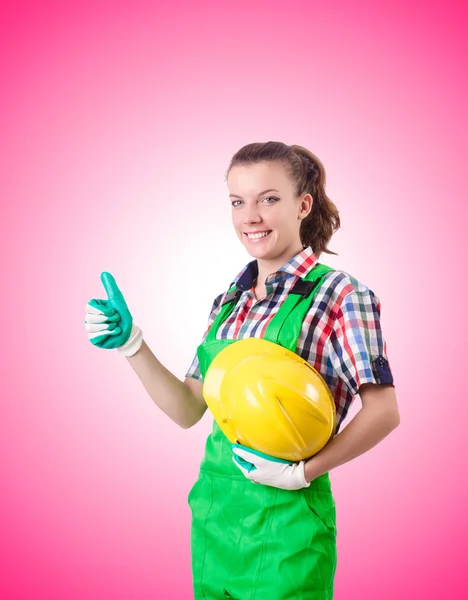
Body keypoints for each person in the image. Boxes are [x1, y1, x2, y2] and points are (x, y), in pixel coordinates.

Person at [84, 141, 400, 599]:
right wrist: (133, 344)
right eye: (238, 201)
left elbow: (383, 412)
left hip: (289, 526)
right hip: (215, 518)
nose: (250, 216)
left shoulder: (341, 294)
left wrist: (303, 473)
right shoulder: (229, 301)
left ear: (303, 205)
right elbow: (189, 408)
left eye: (268, 199)